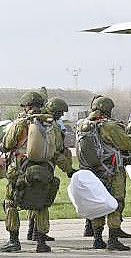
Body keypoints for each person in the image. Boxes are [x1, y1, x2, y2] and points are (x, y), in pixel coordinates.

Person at [0, 92, 63, 253]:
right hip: (45, 171)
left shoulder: (21, 123)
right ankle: (41, 243)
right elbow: (59, 148)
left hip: (20, 170)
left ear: (26, 106)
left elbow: (7, 144)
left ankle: (14, 241)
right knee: (42, 204)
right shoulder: (52, 124)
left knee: (11, 203)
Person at [77, 96, 131, 251]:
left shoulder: (83, 125)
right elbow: (126, 143)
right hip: (112, 171)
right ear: (107, 109)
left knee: (99, 203)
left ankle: (97, 239)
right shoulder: (110, 126)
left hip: (92, 171)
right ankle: (113, 239)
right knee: (115, 203)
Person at [26, 97, 75, 244]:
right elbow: (56, 151)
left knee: (33, 196)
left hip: (29, 166)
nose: (61, 116)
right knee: (42, 201)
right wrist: (68, 169)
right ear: (55, 111)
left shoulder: (36, 120)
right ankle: (39, 236)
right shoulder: (50, 125)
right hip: (45, 167)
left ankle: (31, 231)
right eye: (60, 113)